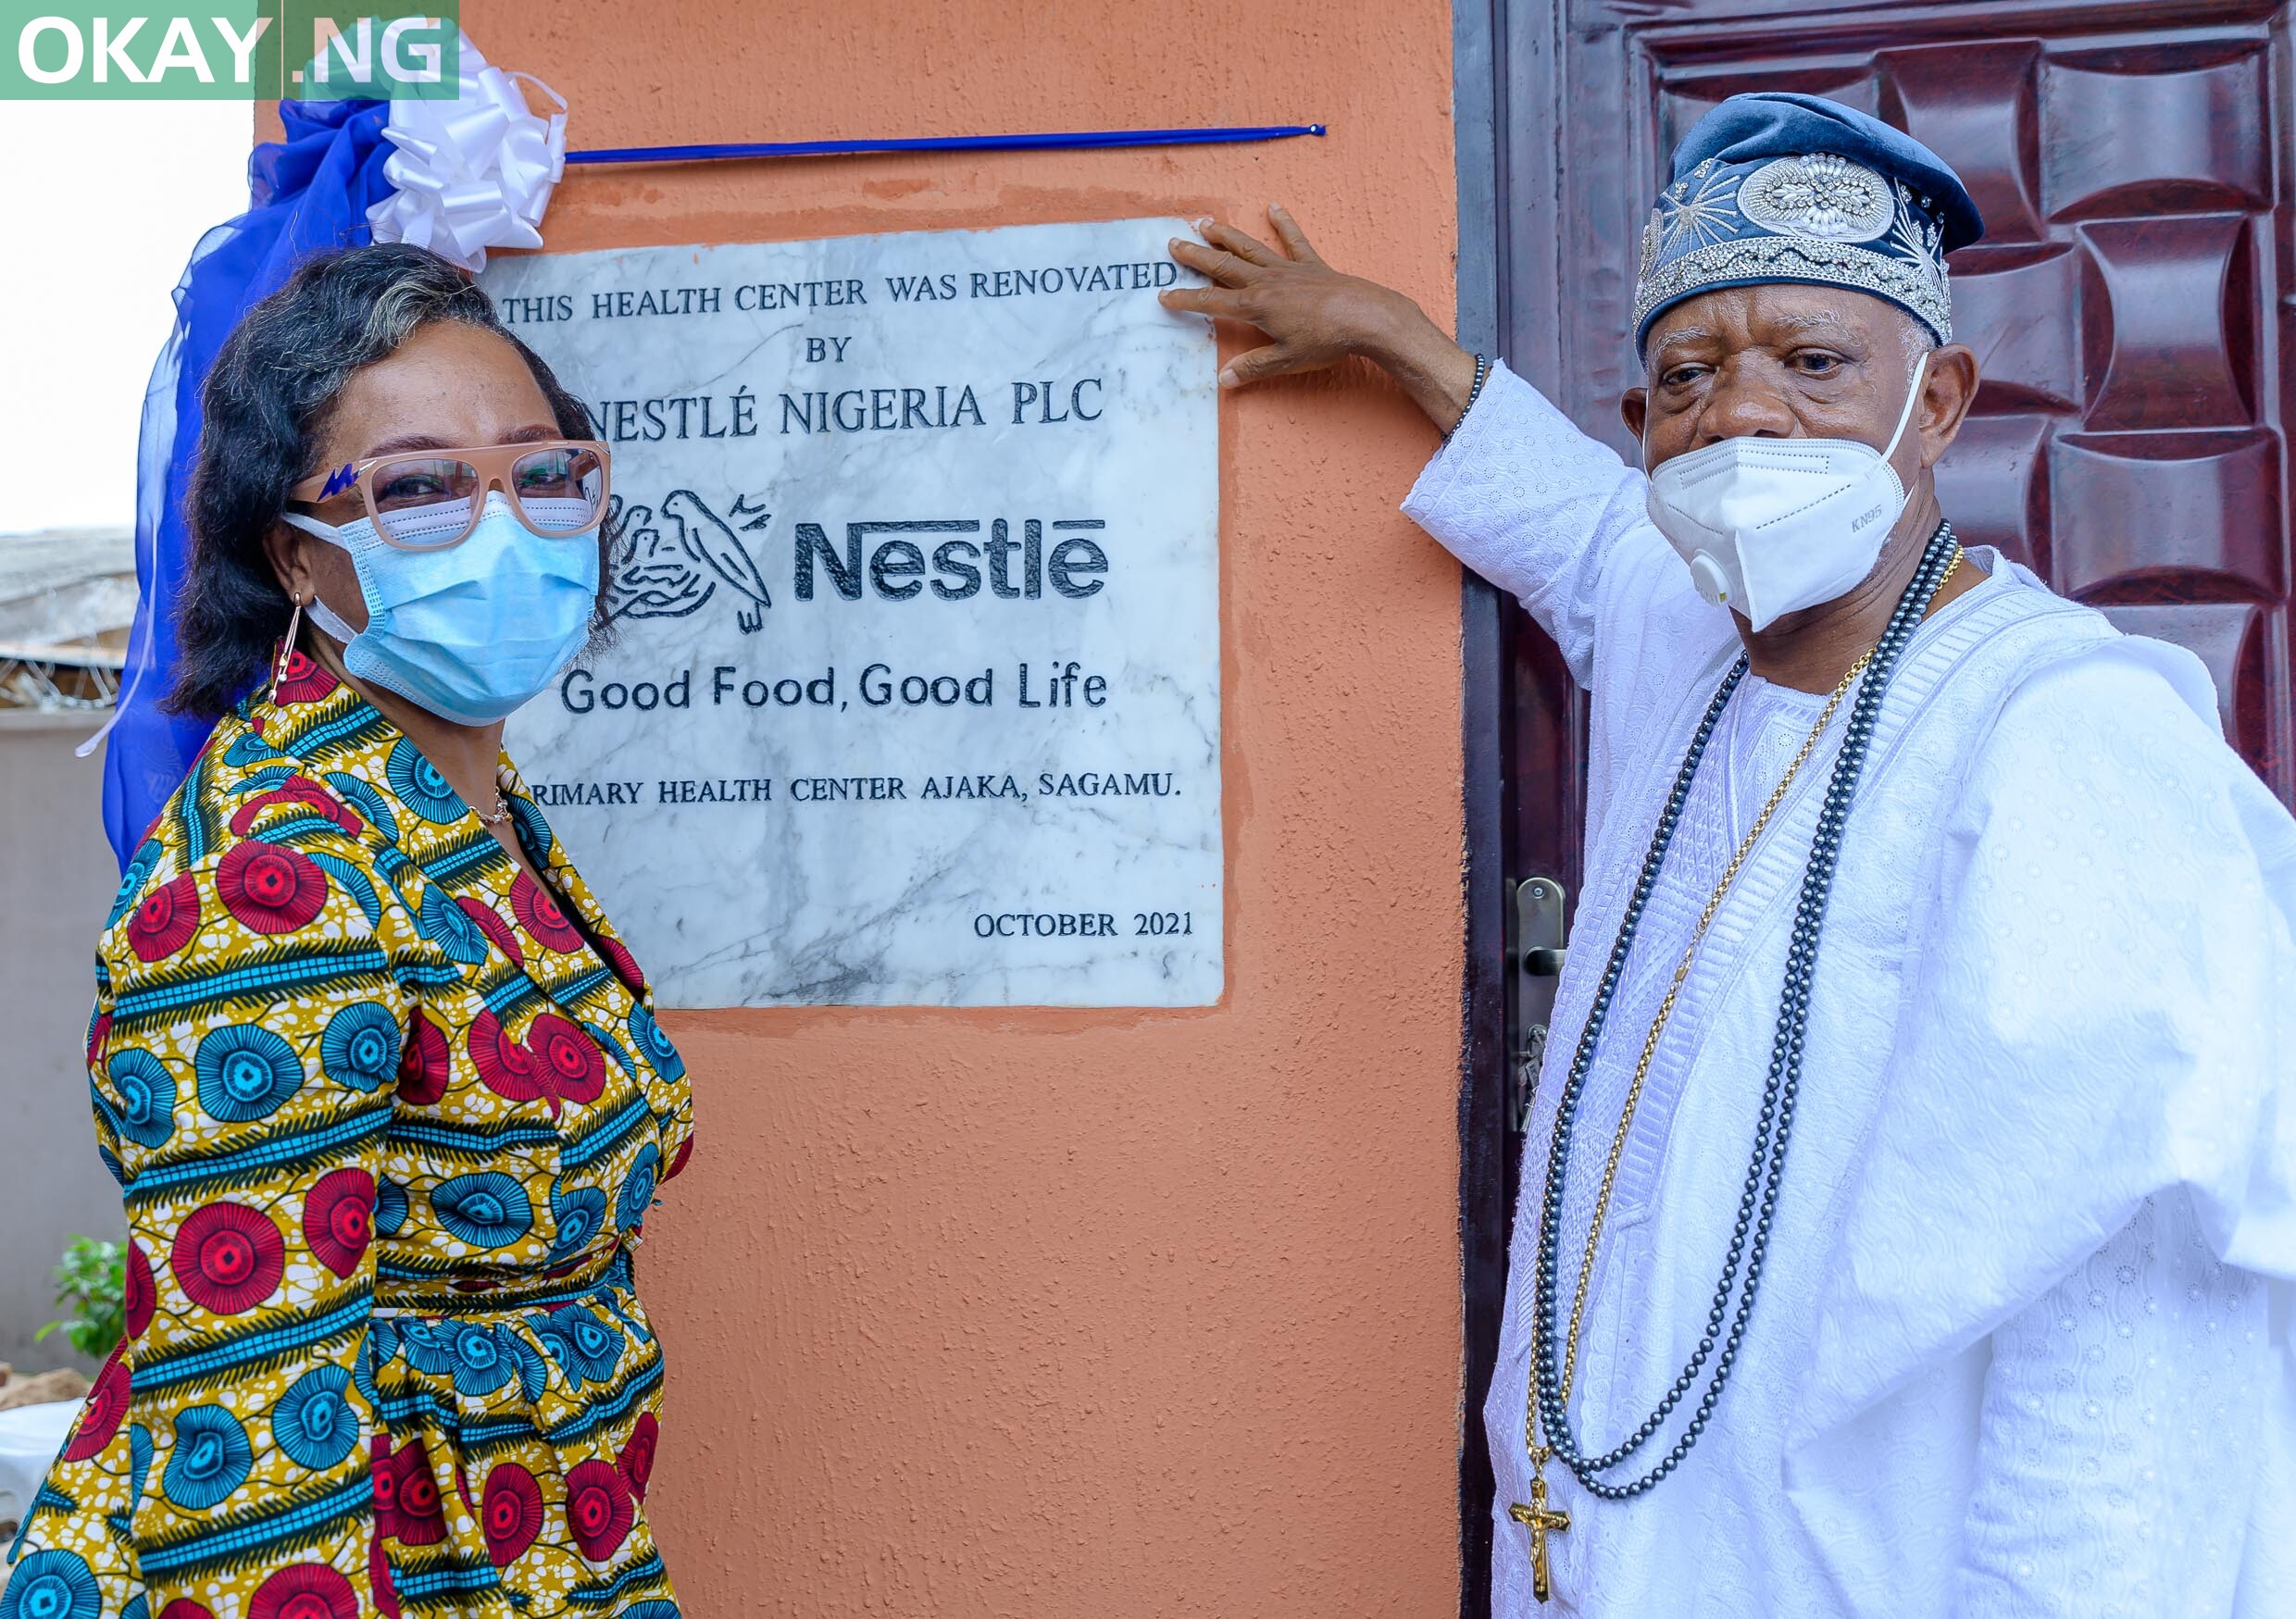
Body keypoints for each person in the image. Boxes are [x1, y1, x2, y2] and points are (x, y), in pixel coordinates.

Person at [1165, 93, 2296, 1615]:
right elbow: (1575, 527)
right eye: (1689, 376)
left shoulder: (2066, 740)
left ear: (1941, 401)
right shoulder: (1684, 636)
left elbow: (2125, 1352)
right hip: (1606, 1551)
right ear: (1646, 431)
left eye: (1817, 364)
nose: (1746, 417)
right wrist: (1392, 338)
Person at [4, 245, 693, 1619]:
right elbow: (251, 1428)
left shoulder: (458, 809)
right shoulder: (280, 873)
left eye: (542, 471)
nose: (506, 524)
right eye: (423, 486)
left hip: (524, 1543)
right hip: (347, 1566)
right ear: (297, 552)